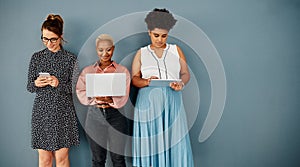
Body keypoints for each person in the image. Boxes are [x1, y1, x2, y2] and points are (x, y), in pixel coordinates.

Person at [131, 8, 194, 167]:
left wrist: (181, 83)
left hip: (172, 100)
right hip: (148, 104)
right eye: (156, 35)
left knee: (175, 140)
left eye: (164, 36)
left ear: (168, 33)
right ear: (149, 32)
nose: (159, 39)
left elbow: (185, 73)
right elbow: (134, 79)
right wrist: (146, 82)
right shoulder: (141, 53)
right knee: (151, 143)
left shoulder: (176, 50)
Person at [26, 14, 80, 167]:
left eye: (52, 39)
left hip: (63, 112)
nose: (48, 43)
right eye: (44, 39)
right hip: (41, 112)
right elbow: (29, 87)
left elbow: (77, 89)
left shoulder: (71, 59)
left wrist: (58, 83)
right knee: (44, 160)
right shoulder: (36, 58)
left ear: (61, 36)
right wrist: (36, 82)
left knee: (62, 159)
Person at [76, 34, 130, 167]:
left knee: (118, 159)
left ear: (113, 49)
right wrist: (95, 99)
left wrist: (110, 100)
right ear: (96, 49)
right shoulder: (88, 71)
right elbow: (80, 92)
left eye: (108, 49)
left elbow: (124, 97)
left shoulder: (122, 71)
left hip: (117, 116)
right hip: (94, 116)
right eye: (101, 50)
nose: (105, 53)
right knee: (98, 159)